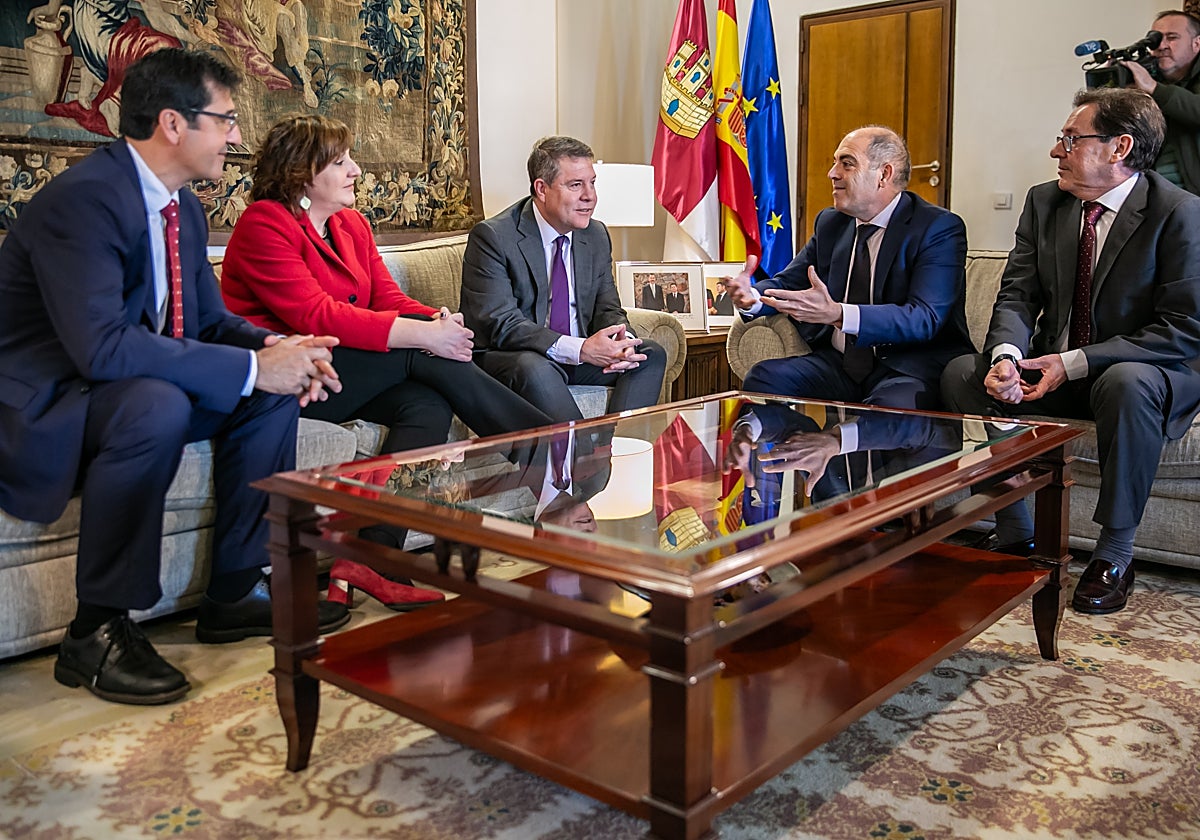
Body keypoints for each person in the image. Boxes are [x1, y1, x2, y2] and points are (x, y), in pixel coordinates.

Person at [0, 49, 350, 706]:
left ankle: (235, 591)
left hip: (118, 388)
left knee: (267, 397)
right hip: (52, 401)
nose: (237, 136)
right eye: (225, 120)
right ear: (172, 124)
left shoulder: (181, 209)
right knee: (158, 403)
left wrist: (280, 348)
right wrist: (254, 365)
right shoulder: (84, 201)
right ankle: (96, 629)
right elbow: (101, 349)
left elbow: (210, 322)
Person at [220, 114, 554, 608]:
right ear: (302, 173)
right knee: (425, 358)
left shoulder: (349, 224)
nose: (356, 170)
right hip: (287, 382)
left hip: (344, 372)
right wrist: (427, 337)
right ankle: (549, 448)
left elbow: (386, 296)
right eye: (340, 162)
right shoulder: (264, 223)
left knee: (424, 405)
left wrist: (438, 321)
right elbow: (317, 314)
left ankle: (372, 558)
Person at [941, 88, 1200, 615]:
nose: (1056, 151)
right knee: (959, 373)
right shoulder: (1045, 202)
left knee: (1126, 382)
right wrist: (1006, 359)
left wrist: (1072, 363)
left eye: (1069, 139)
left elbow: (1184, 329)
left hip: (1140, 373)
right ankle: (1017, 528)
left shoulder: (1179, 213)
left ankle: (1114, 555)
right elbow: (1018, 293)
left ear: (1119, 147)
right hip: (1052, 370)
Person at [724, 126, 972, 411]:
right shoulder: (832, 222)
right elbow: (791, 282)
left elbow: (924, 318)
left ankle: (836, 445)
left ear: (884, 175)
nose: (832, 173)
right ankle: (789, 456)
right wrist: (754, 297)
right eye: (834, 162)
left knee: (887, 407)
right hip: (841, 363)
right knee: (765, 378)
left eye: (847, 163)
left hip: (907, 366)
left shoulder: (937, 228)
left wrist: (839, 314)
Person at [460, 135, 667, 422]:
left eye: (592, 183)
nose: (590, 196)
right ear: (542, 189)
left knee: (649, 354)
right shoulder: (494, 237)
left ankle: (618, 450)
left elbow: (607, 307)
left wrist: (621, 342)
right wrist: (581, 348)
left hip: (577, 356)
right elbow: (500, 324)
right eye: (575, 185)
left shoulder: (595, 235)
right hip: (515, 356)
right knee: (536, 368)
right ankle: (583, 459)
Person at [1124, 9, 1200, 195]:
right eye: (1156, 39)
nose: (1162, 46)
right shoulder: (1149, 82)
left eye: (1172, 38)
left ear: (1197, 43)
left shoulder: (1155, 87)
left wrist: (1155, 89)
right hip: (1159, 200)